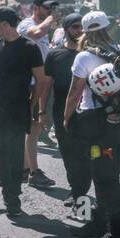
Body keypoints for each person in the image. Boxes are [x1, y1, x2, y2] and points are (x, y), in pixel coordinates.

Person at [62, 12, 120, 238]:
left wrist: (66, 118)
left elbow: (74, 93)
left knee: (105, 178)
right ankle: (100, 225)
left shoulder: (84, 57)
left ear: (83, 31)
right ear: (108, 27)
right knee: (109, 172)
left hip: (97, 125)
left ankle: (118, 233)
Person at [0, 7, 49, 218]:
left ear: (4, 24)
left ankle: (12, 196)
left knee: (14, 150)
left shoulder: (30, 47)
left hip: (18, 107)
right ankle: (8, 187)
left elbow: (41, 80)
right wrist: (0, 84)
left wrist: (31, 102)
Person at [43, 13, 92, 219]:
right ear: (66, 29)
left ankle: (82, 199)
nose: (79, 31)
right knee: (69, 155)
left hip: (88, 114)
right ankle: (76, 191)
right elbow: (46, 87)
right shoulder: (55, 55)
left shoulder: (92, 54)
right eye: (74, 27)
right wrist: (41, 111)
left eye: (82, 27)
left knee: (85, 157)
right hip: (61, 114)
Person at [19, 0, 58, 188]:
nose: (50, 11)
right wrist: (50, 21)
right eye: (47, 8)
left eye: (52, 8)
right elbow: (34, 33)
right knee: (31, 128)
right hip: (28, 84)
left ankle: (26, 168)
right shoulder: (27, 24)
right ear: (35, 8)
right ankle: (32, 171)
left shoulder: (46, 28)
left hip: (38, 83)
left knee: (32, 128)